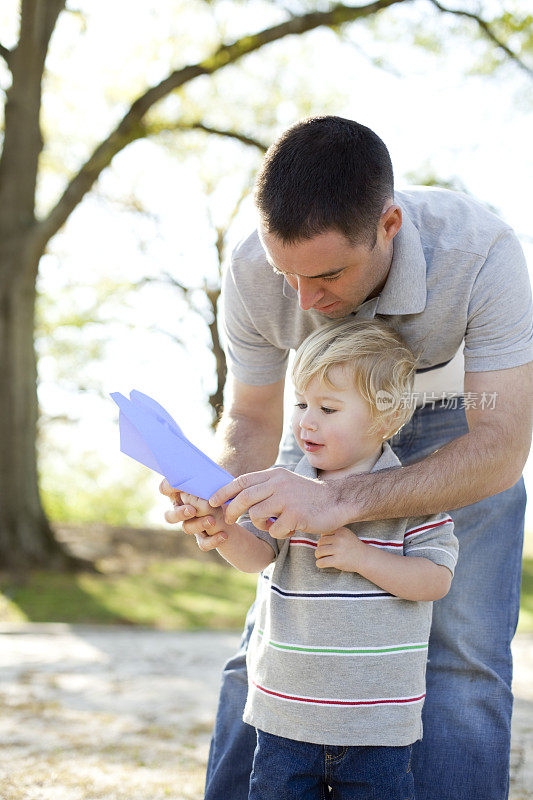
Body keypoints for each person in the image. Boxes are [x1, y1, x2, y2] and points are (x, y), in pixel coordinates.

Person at [161, 116, 533, 800]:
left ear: (388, 225)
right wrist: (223, 496)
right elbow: (249, 417)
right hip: (319, 423)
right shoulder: (251, 268)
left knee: (464, 660)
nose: (306, 301)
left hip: (458, 422)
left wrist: (336, 503)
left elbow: (500, 445)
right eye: (287, 275)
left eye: (328, 273)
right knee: (266, 644)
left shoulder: (480, 251)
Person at [179, 318, 459, 800]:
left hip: (376, 726)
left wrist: (362, 557)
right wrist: (222, 532)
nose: (307, 421)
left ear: (386, 418)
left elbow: (435, 580)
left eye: (328, 408)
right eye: (302, 403)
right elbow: (256, 556)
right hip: (285, 718)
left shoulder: (414, 500)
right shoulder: (284, 485)